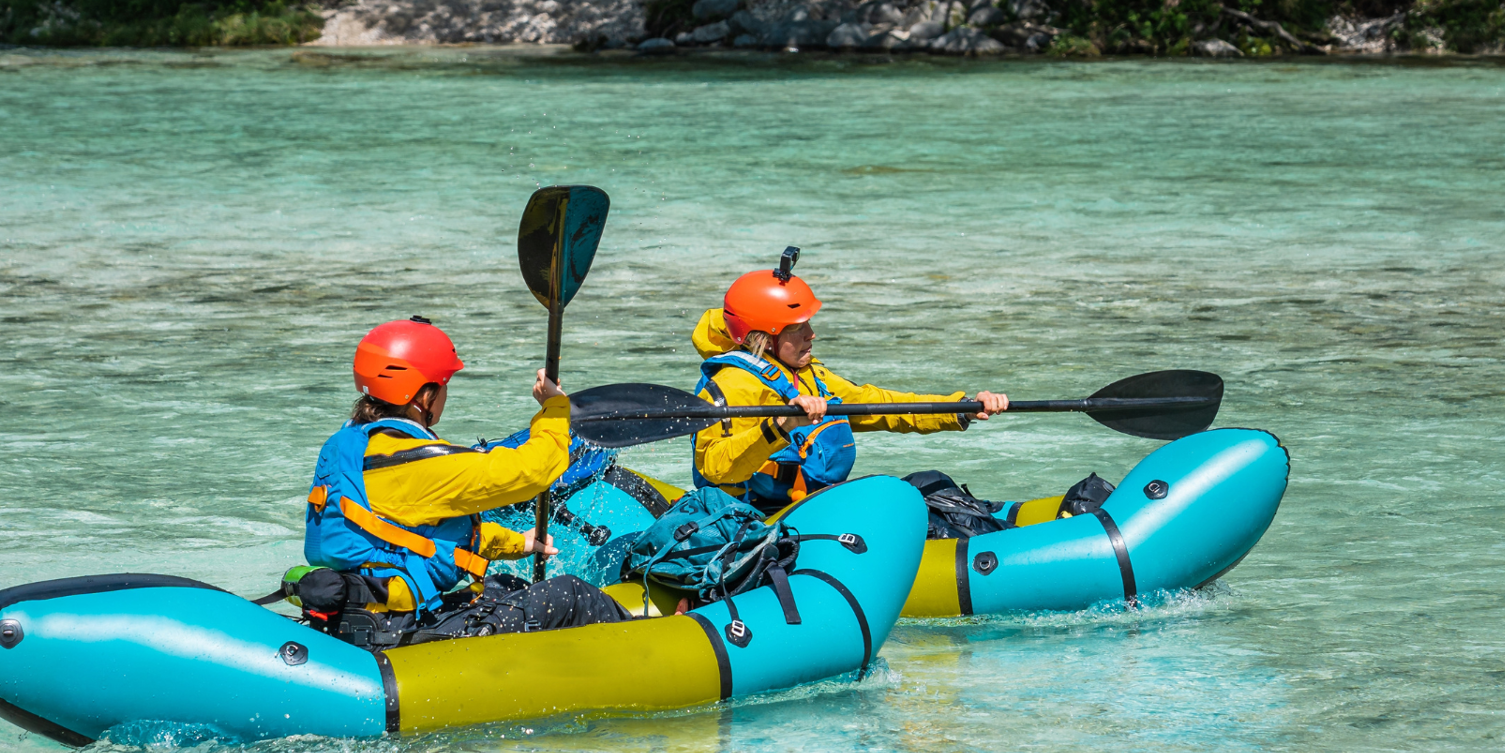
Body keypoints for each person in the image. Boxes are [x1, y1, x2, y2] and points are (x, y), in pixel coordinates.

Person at [299, 316, 628, 648]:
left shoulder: (352, 446)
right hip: (395, 631)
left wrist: (520, 543)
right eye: (443, 385)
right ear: (423, 397)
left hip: (362, 616)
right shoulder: (414, 463)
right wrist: (555, 407)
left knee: (504, 585)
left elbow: (405, 537)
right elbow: (534, 471)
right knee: (571, 595)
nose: (445, 394)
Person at [690, 249, 1010, 513]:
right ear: (761, 337)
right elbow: (715, 468)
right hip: (758, 518)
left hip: (814, 506)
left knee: (930, 482)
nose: (811, 335)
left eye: (808, 323)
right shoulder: (730, 385)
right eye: (795, 328)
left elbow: (882, 406)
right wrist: (781, 425)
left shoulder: (810, 376)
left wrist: (962, 408)